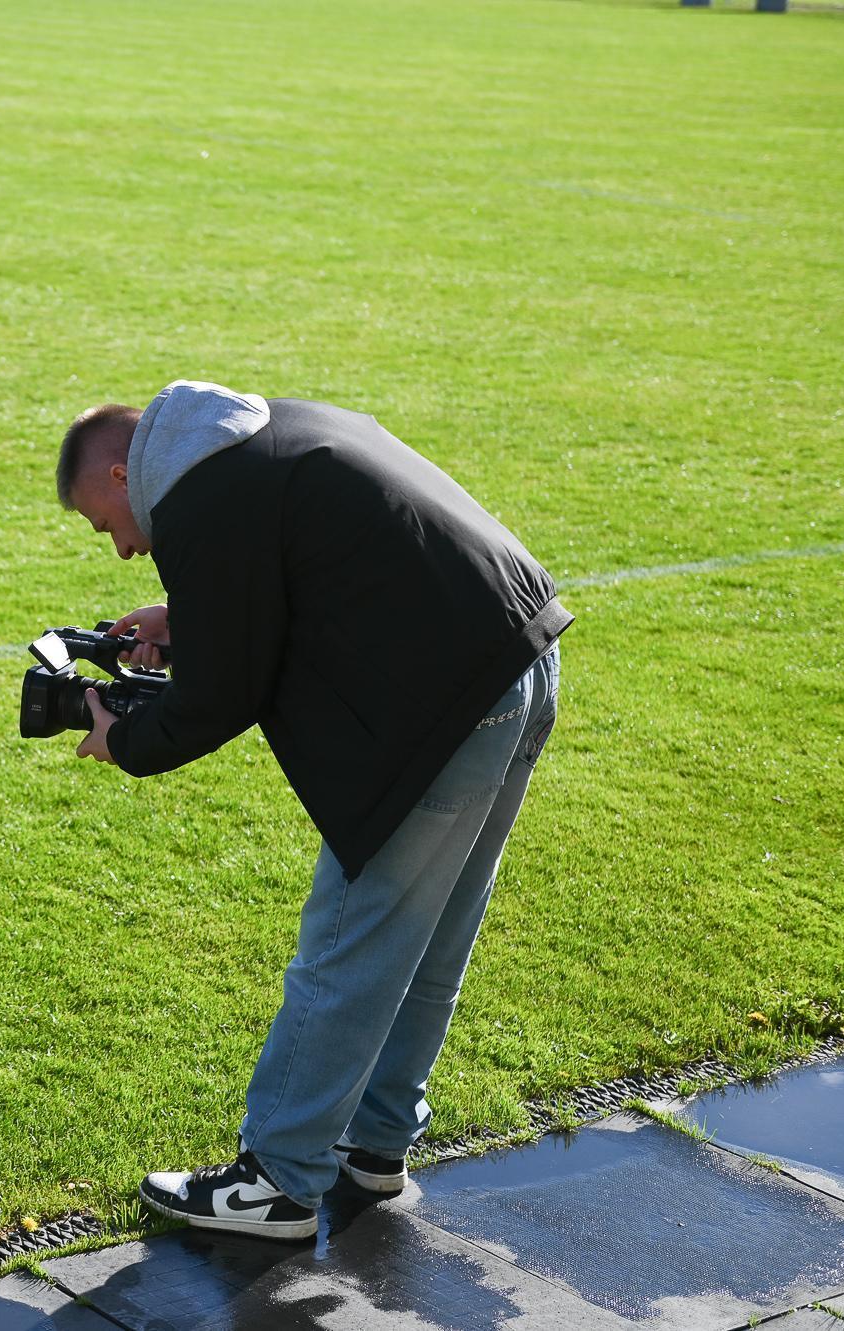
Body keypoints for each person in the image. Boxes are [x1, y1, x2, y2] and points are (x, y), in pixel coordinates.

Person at [56, 381, 571, 1240]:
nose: (121, 547)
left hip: (451, 699)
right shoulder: (254, 437)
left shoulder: (196, 496)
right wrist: (189, 615)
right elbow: (300, 573)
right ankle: (375, 1141)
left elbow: (222, 694)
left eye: (104, 523)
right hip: (522, 652)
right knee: (430, 938)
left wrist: (125, 739)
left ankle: (278, 1180)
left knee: (348, 943)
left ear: (121, 473)